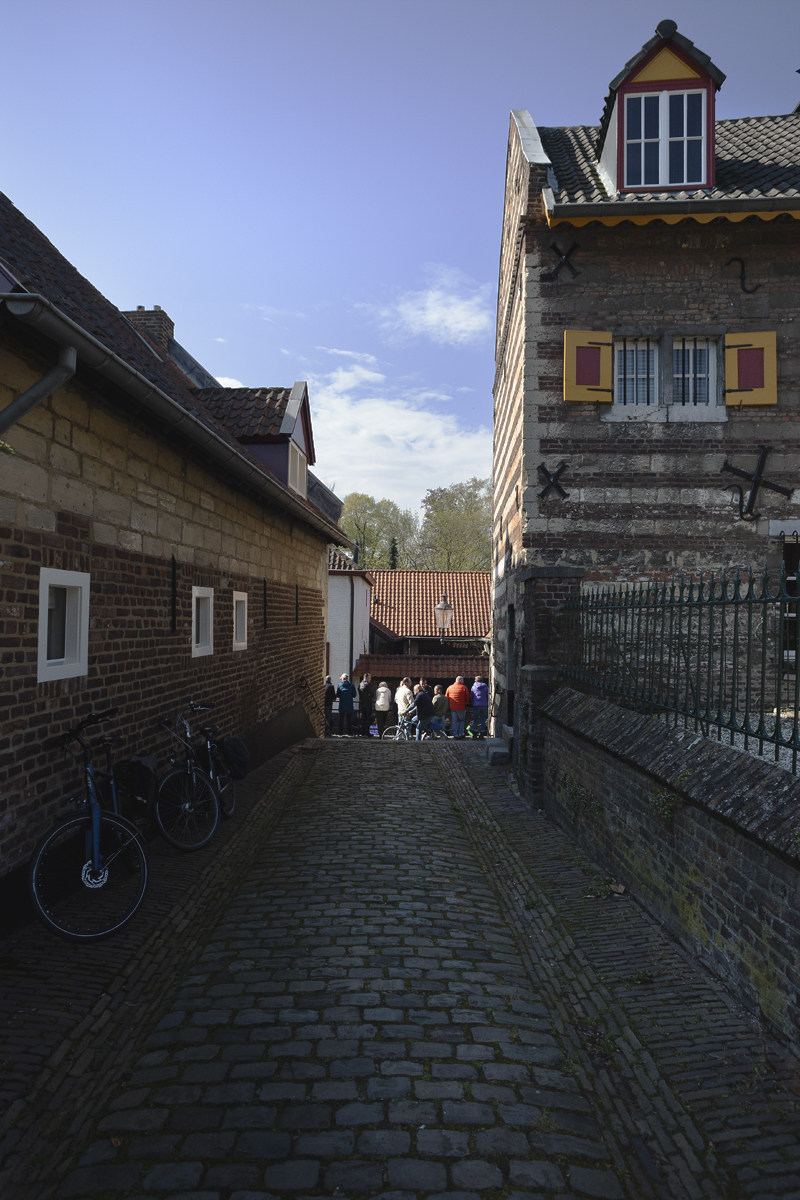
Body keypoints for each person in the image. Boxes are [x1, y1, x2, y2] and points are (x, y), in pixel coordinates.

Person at [446, 675, 470, 739]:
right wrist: (465, 703)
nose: (463, 682)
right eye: (462, 681)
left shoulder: (450, 687)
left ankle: (455, 735)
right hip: (461, 707)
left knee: (454, 721)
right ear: (460, 680)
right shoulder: (464, 687)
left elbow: (447, 698)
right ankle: (461, 734)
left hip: (453, 707)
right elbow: (467, 697)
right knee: (461, 720)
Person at [358, 673, 373, 738]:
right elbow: (372, 694)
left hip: (362, 703)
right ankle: (367, 733)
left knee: (363, 719)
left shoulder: (360, 685)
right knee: (367, 719)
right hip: (368, 704)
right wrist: (369, 695)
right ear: (366, 678)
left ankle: (362, 732)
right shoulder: (367, 685)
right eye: (369, 678)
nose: (370, 679)